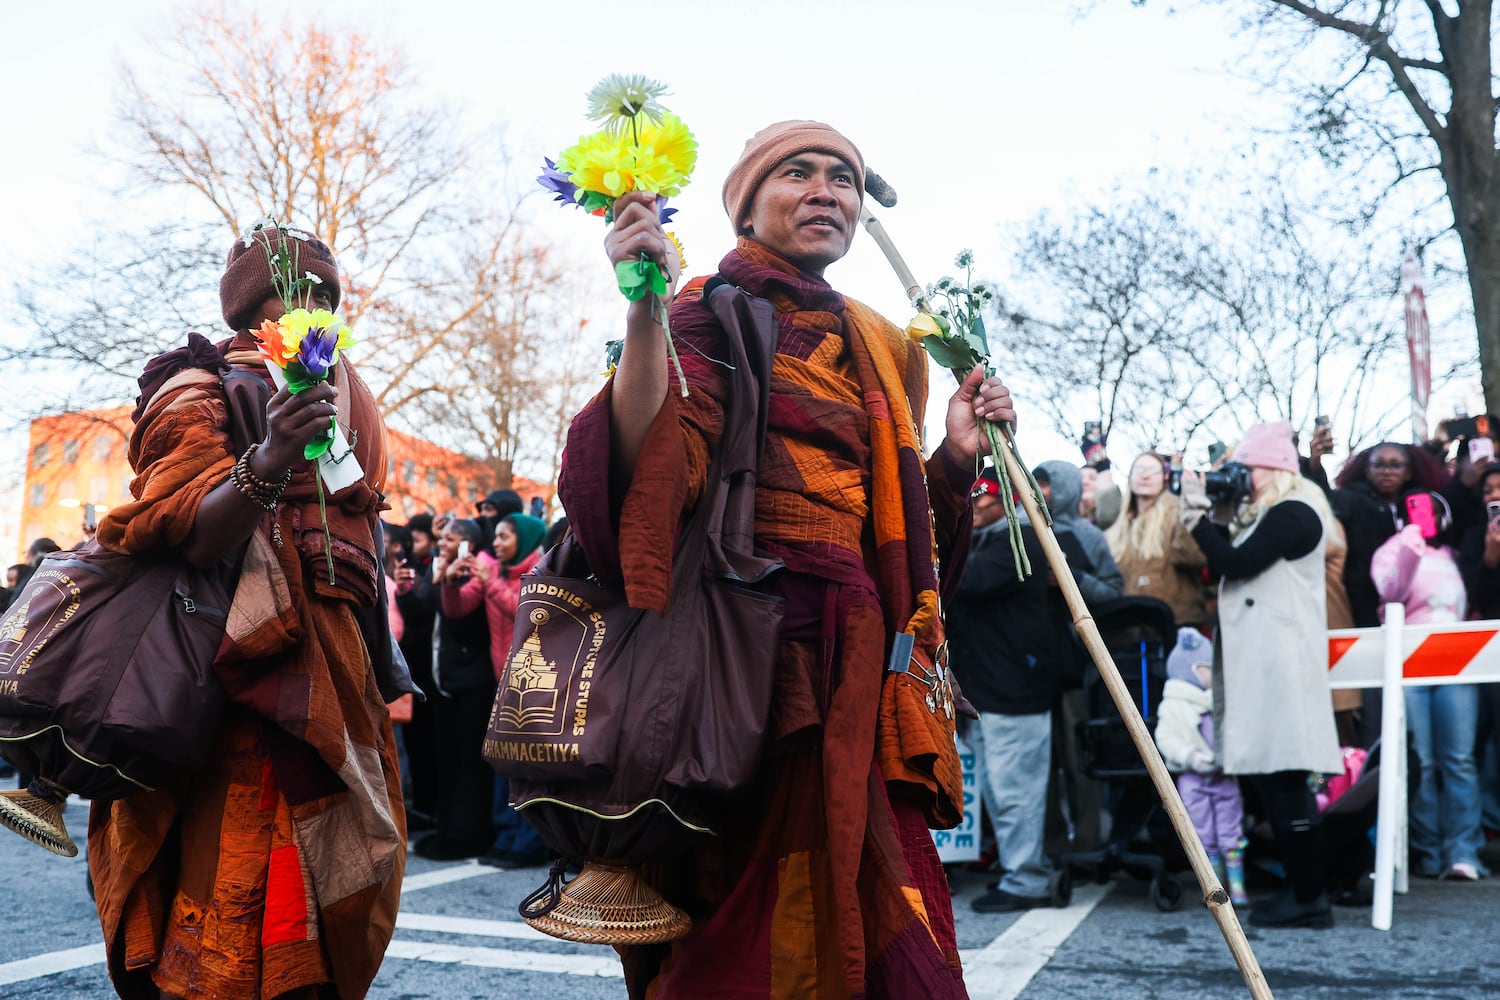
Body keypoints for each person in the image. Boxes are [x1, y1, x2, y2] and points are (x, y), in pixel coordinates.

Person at [559, 120, 1015, 997]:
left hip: (866, 671)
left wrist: (954, 459)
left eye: (843, 178)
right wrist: (645, 311)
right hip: (749, 672)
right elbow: (648, 470)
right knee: (751, 935)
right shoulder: (705, 312)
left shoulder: (889, 346)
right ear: (746, 209)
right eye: (797, 173)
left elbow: (906, 532)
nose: (826, 192)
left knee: (897, 937)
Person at [89, 223, 410, 998]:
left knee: (335, 886)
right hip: (225, 678)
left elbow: (356, 520)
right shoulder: (195, 387)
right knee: (217, 893)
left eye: (330, 295)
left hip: (339, 679)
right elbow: (183, 530)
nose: (317, 307)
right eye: (299, 293)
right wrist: (267, 460)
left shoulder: (342, 395)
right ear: (250, 308)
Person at [1181, 420, 1343, 929]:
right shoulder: (1274, 512)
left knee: (1288, 778)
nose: (1240, 478)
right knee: (1275, 781)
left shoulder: (1297, 510)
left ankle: (1311, 898)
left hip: (1282, 665)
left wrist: (1197, 518)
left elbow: (1235, 561)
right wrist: (1223, 515)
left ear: (1271, 468)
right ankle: (1302, 891)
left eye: (1246, 468)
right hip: (1268, 663)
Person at [949, 471, 1062, 913]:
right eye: (971, 500)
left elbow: (967, 581)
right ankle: (1019, 871)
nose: (975, 508)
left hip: (1016, 690)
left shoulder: (1022, 541)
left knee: (1017, 790)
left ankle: (1028, 879)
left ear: (1010, 502)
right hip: (987, 690)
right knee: (998, 788)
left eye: (985, 501)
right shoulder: (981, 540)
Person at [1374, 492, 1488, 880]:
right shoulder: (1391, 550)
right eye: (1418, 510)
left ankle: (1463, 853)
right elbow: (1391, 592)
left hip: (1457, 666)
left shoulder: (1455, 557)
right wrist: (1410, 543)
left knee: (1459, 760)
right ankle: (1426, 851)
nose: (1427, 517)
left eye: (1435, 511)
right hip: (1408, 668)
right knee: (1418, 761)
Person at [471, 511, 550, 869]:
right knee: (503, 761)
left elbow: (524, 611)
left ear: (526, 539)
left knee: (526, 768)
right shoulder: (499, 574)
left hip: (534, 686)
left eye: (505, 536)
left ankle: (528, 842)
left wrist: (489, 581)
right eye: (496, 537)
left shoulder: (541, 571)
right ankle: (505, 836)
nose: (496, 543)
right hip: (503, 683)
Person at [420, 517, 497, 860]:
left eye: (451, 538)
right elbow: (425, 602)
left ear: (469, 543)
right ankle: (447, 827)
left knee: (469, 760)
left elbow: (461, 621)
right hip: (445, 678)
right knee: (447, 757)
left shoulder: (475, 571)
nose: (443, 542)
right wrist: (437, 579)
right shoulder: (443, 567)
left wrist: (446, 583)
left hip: (473, 678)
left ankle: (466, 834)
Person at [1155, 627, 1247, 905]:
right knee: (1202, 832)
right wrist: (1191, 756)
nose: (1213, 675)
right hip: (1192, 780)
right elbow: (1165, 739)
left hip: (1224, 777)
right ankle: (1215, 887)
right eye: (1208, 669)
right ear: (1193, 670)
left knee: (1232, 830)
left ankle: (1238, 884)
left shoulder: (1221, 700)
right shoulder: (1173, 705)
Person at [1106, 452, 1208, 629]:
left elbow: (1195, 558)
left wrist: (1188, 512)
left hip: (1176, 624)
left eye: (1153, 470)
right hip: (1129, 629)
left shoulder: (1179, 512)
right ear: (1130, 477)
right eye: (1139, 469)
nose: (1145, 475)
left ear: (1165, 477)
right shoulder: (1119, 526)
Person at [395, 512, 440, 830]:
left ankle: (429, 808)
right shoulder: (412, 568)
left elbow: (424, 615)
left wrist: (406, 594)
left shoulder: (430, 571)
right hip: (413, 669)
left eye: (419, 538)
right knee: (415, 743)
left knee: (427, 745)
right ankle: (422, 807)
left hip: (429, 670)